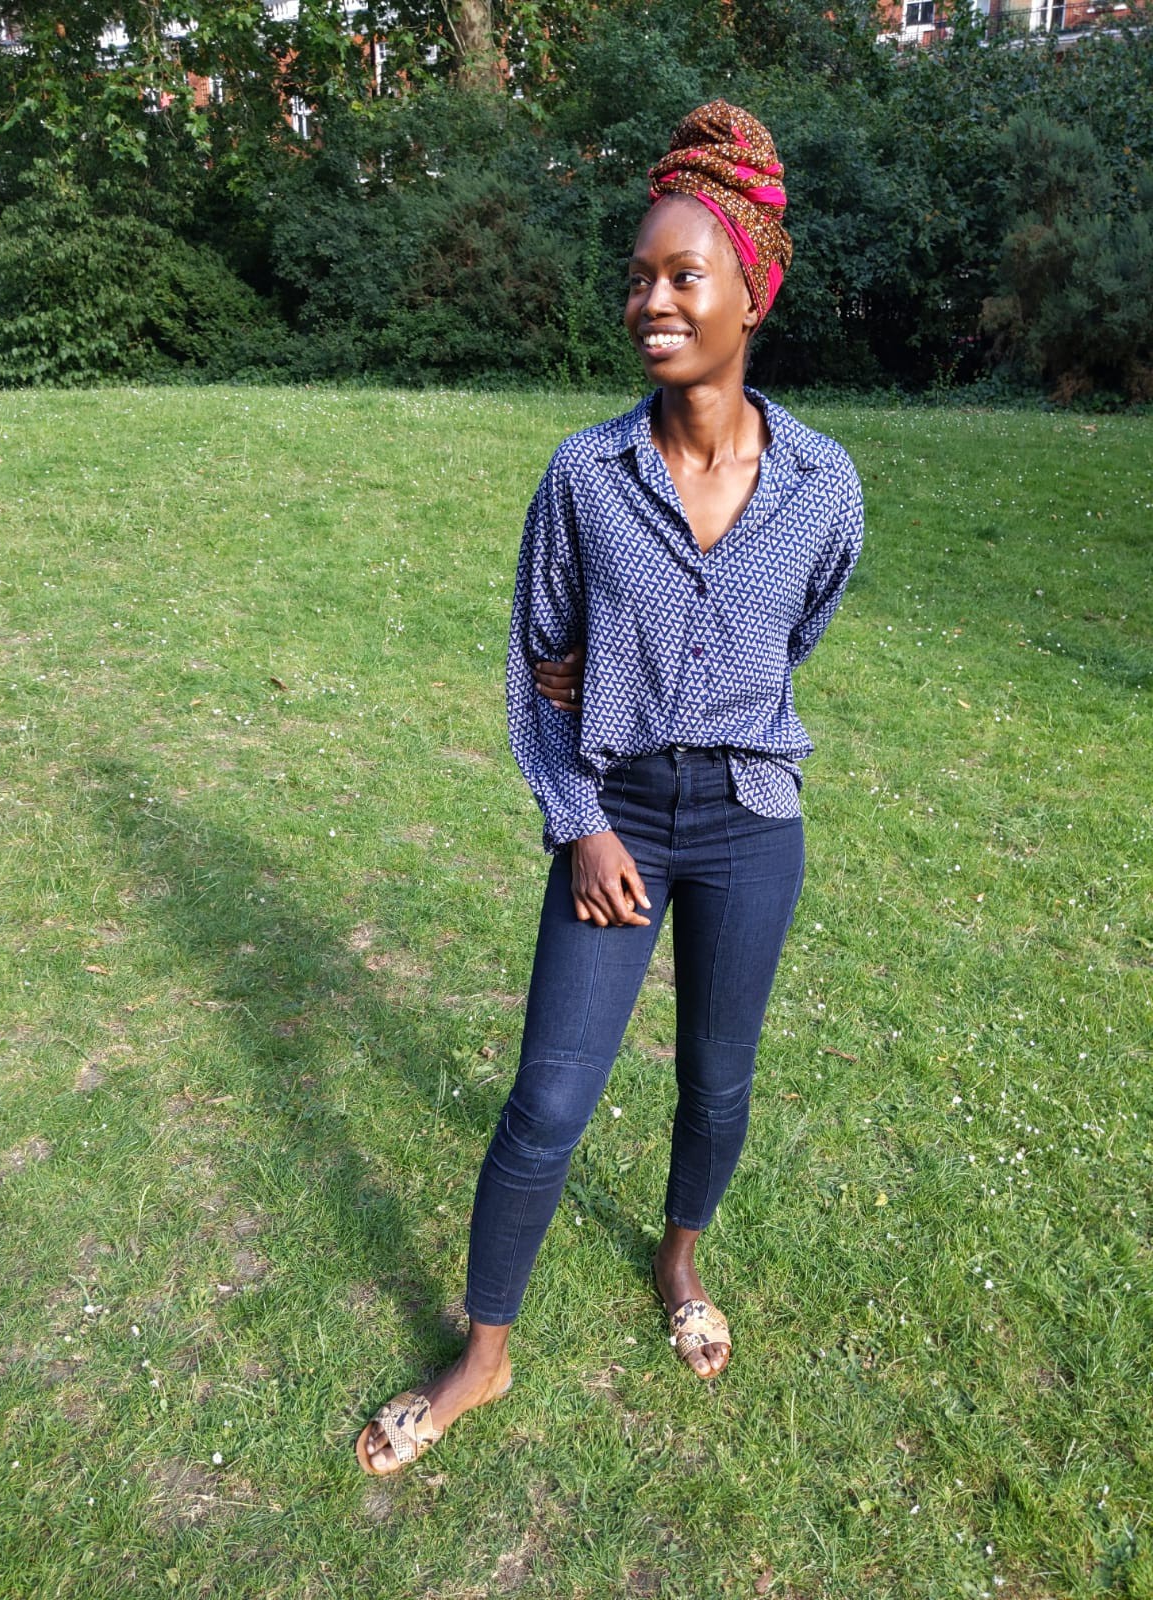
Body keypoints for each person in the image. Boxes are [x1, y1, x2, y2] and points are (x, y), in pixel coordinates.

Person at [356, 100, 864, 1475]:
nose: (650, 300)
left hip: (753, 826)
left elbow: (795, 631)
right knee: (549, 1103)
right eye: (637, 275)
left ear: (751, 290)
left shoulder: (825, 487)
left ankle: (681, 1265)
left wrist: (716, 719)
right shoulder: (585, 478)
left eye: (682, 276)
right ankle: (485, 1355)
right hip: (618, 823)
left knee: (717, 1085)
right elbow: (542, 662)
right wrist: (579, 820)